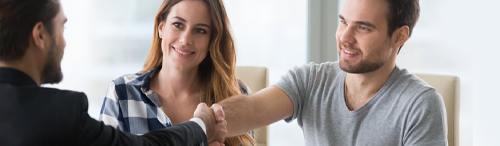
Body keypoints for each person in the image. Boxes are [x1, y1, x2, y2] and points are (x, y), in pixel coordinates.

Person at [211, 0, 448, 145]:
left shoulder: (421, 104)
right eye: (343, 22)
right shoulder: (310, 80)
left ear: (399, 36)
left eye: (363, 27)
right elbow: (253, 109)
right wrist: (206, 123)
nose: (344, 37)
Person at [0, 0, 227, 145]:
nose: (64, 42)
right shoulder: (63, 112)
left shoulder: (229, 93)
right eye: (63, 27)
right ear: (40, 35)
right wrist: (201, 126)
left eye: (200, 30)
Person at [98, 0, 254, 145]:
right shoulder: (121, 93)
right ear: (161, 28)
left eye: (200, 30)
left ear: (211, 41)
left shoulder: (235, 96)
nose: (185, 39)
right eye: (178, 25)